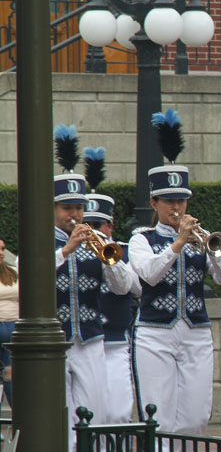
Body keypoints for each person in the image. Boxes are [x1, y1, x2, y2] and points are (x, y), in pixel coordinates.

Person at [129, 113, 221, 452]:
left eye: (182, 200)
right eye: (169, 201)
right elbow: (150, 276)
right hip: (155, 332)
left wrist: (211, 247)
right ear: (155, 203)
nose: (177, 207)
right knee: (158, 412)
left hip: (193, 331)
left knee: (194, 416)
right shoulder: (140, 239)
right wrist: (176, 244)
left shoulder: (198, 238)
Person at [52, 126, 136, 452]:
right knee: (63, 422)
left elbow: (124, 287)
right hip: (53, 342)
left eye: (78, 208)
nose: (74, 214)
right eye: (67, 208)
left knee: (93, 416)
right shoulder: (43, 240)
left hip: (91, 338)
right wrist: (66, 250)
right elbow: (28, 280)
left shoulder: (96, 242)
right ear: (53, 209)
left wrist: (110, 256)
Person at [81, 150, 142, 429]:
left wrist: (111, 258)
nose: (92, 230)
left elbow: (132, 288)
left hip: (115, 342)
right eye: (88, 224)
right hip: (83, 342)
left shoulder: (124, 252)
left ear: (110, 226)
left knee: (118, 414)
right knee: (90, 417)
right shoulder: (71, 252)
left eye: (98, 225)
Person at [0, 239, 17, 405]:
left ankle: (17, 416)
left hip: (12, 327)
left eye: (3, 249)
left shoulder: (12, 272)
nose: (1, 252)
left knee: (11, 374)